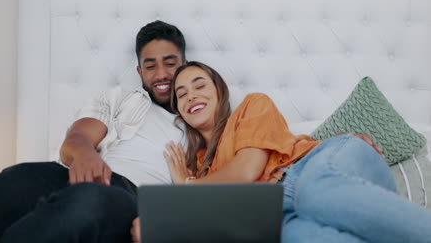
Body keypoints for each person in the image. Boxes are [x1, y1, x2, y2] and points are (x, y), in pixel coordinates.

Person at [131, 61, 431, 243]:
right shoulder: (202, 169)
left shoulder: (251, 106)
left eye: (199, 85)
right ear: (180, 113)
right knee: (301, 238)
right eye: (181, 94)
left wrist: (187, 186)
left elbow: (248, 170)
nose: (191, 95)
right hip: (280, 216)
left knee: (315, 192)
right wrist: (157, 226)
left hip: (317, 169)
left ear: (219, 92)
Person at [0, 20, 187, 243]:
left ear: (184, 64)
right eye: (150, 66)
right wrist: (84, 156)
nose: (161, 74)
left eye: (170, 63)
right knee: (15, 179)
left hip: (130, 195)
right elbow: (78, 137)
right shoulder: (120, 99)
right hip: (71, 172)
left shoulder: (200, 123)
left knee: (88, 202)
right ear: (139, 71)